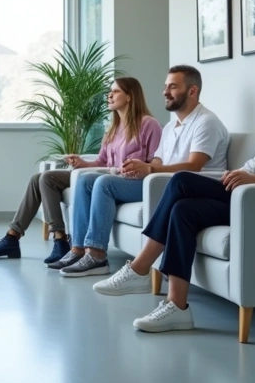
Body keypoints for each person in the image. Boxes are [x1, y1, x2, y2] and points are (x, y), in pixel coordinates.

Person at [93, 58, 255, 334]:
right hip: (248, 198)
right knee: (183, 210)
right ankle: (177, 307)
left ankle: (140, 268)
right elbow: (254, 165)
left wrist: (254, 180)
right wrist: (240, 174)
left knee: (180, 180)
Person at [52, 65, 231, 276]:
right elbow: (158, 159)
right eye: (166, 87)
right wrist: (140, 168)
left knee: (104, 183)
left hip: (185, 187)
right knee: (85, 179)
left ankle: (97, 256)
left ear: (192, 91)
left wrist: (150, 168)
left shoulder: (206, 122)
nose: (165, 92)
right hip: (159, 182)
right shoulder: (171, 127)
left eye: (173, 87)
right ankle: (78, 249)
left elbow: (194, 166)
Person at [0, 77, 163, 263]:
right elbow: (102, 161)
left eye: (115, 92)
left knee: (61, 179)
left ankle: (60, 242)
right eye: (110, 92)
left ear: (130, 96)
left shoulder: (148, 125)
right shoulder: (112, 128)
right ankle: (17, 237)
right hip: (103, 175)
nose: (109, 95)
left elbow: (155, 162)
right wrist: (82, 163)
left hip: (126, 181)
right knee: (41, 178)